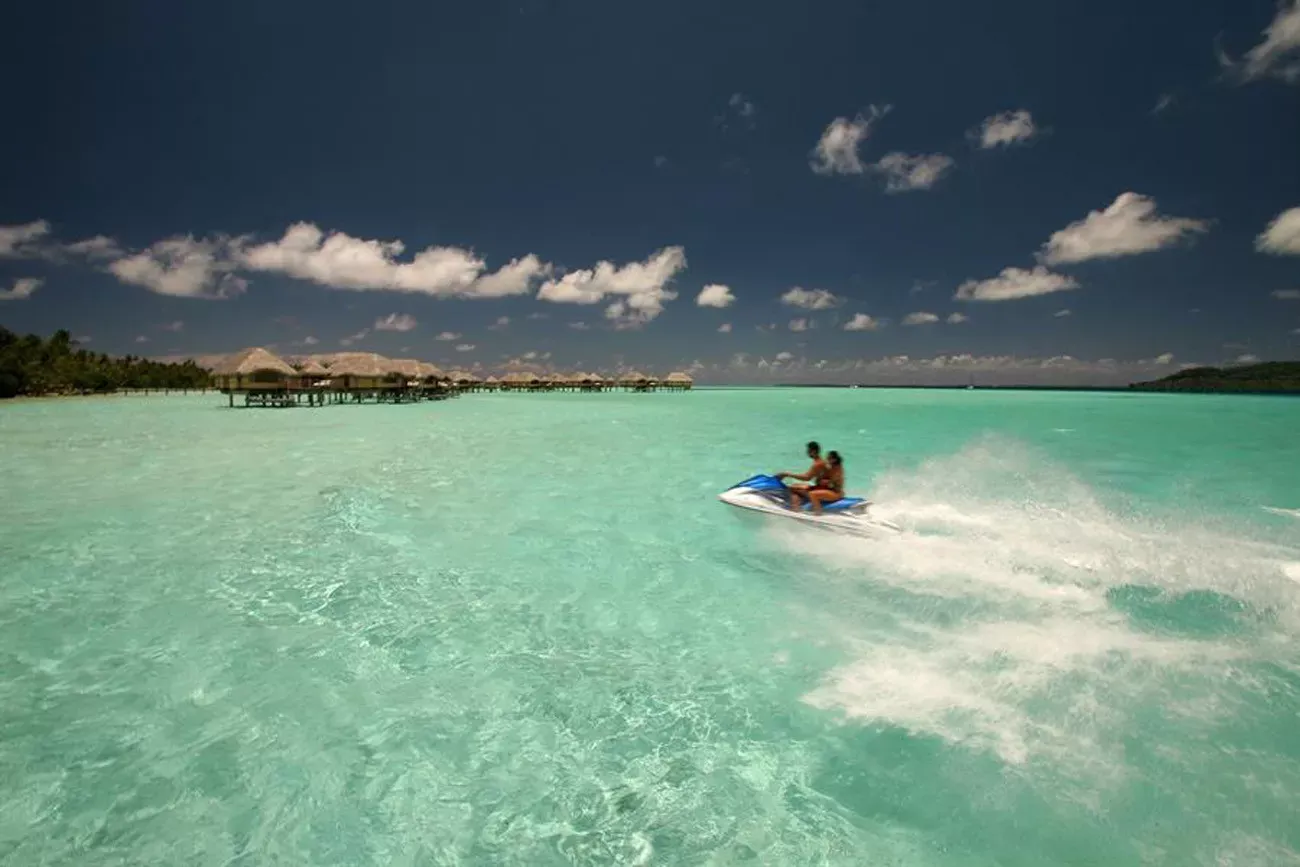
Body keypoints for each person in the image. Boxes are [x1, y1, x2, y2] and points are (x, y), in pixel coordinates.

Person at [776, 441, 830, 511]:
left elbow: (807, 477)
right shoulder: (820, 461)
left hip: (822, 490)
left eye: (808, 450)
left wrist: (788, 474)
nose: (807, 452)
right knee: (796, 485)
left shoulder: (818, 464)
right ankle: (798, 505)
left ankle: (796, 509)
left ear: (813, 451)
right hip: (822, 488)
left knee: (791, 489)